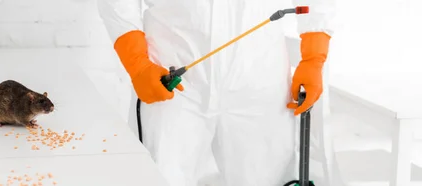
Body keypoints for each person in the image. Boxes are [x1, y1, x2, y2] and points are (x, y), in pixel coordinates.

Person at [97, 0, 343, 186]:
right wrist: (137, 63)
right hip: (171, 74)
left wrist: (313, 57)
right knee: (159, 175)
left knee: (267, 177)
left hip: (259, 80)